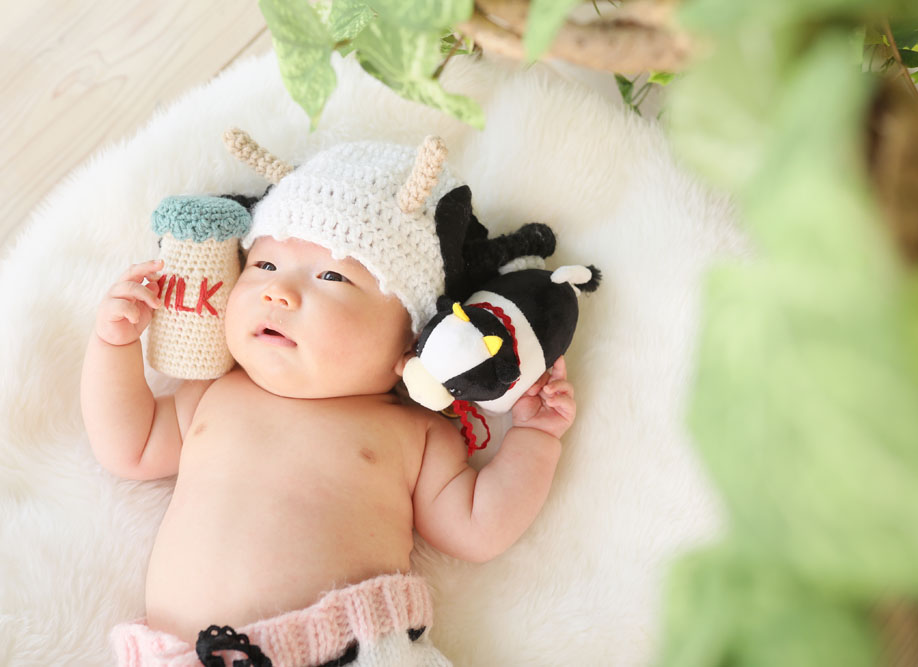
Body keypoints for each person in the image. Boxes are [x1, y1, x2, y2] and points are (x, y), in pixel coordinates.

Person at [80, 136, 575, 667]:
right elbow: (128, 446)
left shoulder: (412, 431)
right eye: (264, 265)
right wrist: (114, 345)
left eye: (332, 277)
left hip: (352, 649)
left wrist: (534, 437)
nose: (277, 292)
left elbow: (476, 527)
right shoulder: (213, 392)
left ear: (410, 342)